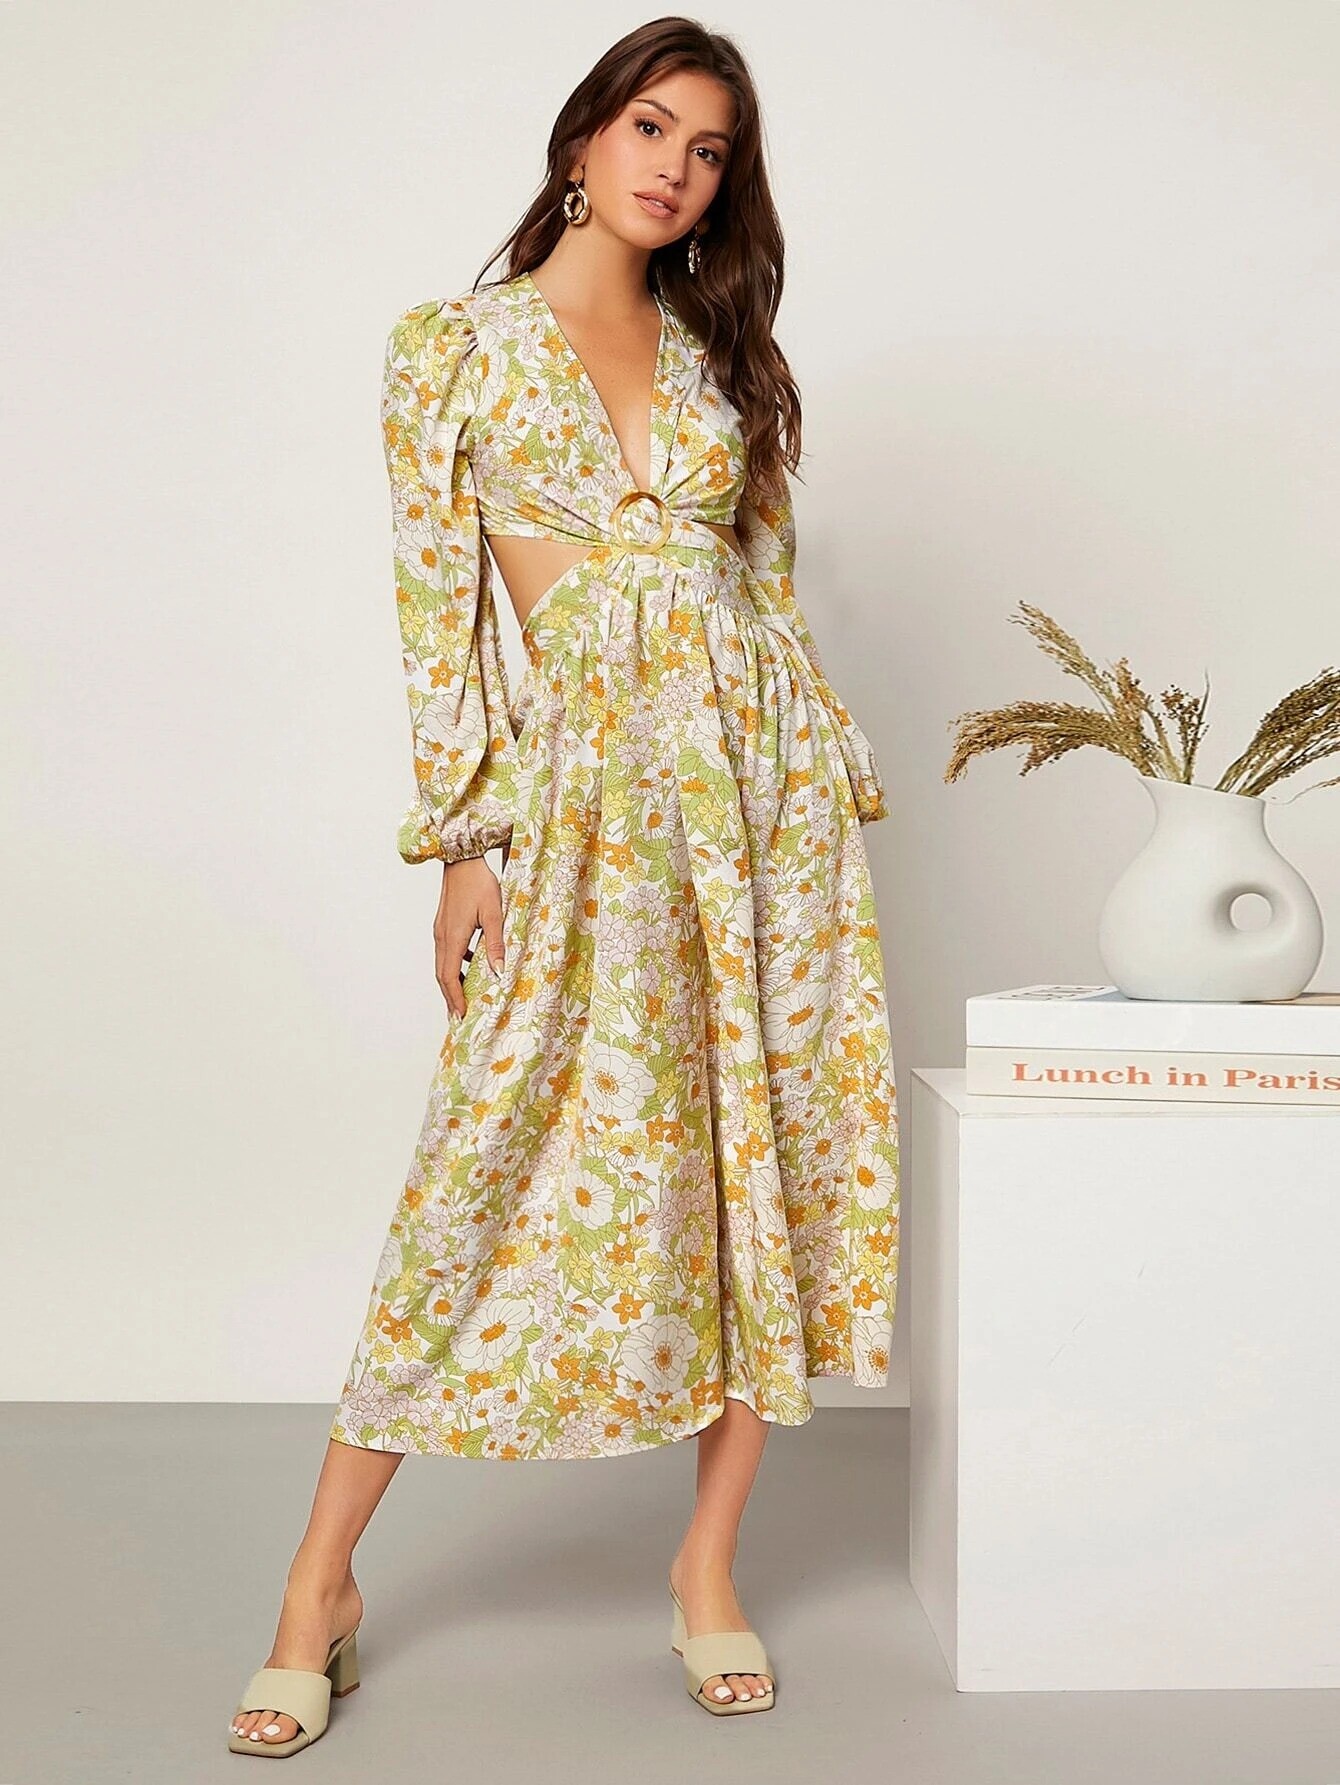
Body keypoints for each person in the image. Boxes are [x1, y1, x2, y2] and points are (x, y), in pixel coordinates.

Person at [228, 15, 899, 1751]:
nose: (676, 167)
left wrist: (823, 782)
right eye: (651, 126)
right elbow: (437, 613)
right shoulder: (452, 347)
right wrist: (464, 842)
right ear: (585, 136)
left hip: (761, 813)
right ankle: (318, 1581)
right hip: (585, 804)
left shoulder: (726, 359)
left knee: (759, 1162)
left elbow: (766, 601)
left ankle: (707, 1565)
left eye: (710, 149)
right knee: (481, 1161)